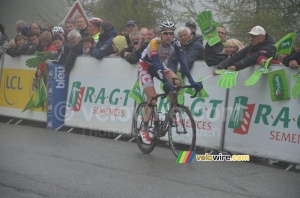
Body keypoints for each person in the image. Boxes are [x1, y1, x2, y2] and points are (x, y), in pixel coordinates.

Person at [138, 21, 203, 144]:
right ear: (160, 35)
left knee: (177, 83)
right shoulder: (154, 43)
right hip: (146, 67)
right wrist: (165, 82)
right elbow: (156, 64)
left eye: (171, 33)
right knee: (152, 99)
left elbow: (183, 62)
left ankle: (172, 112)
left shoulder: (176, 43)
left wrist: (191, 80)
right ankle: (144, 127)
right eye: (166, 33)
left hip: (160, 66)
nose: (169, 36)